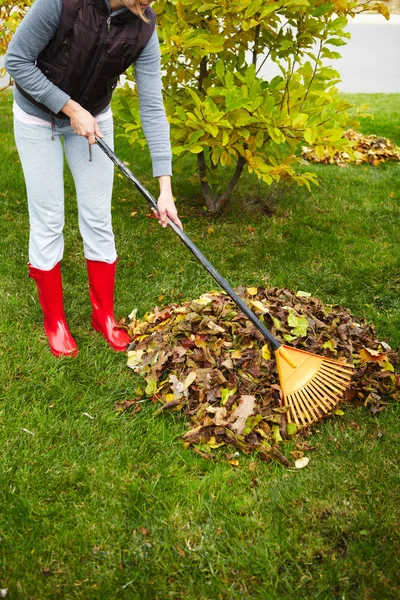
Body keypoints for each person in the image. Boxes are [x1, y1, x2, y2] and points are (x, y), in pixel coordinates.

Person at [4, 0, 182, 358]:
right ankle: (55, 322)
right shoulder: (62, 2)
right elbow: (16, 61)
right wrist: (69, 107)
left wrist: (166, 188)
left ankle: (104, 316)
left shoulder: (145, 25)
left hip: (93, 119)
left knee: (99, 216)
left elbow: (151, 104)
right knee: (49, 218)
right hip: (38, 117)